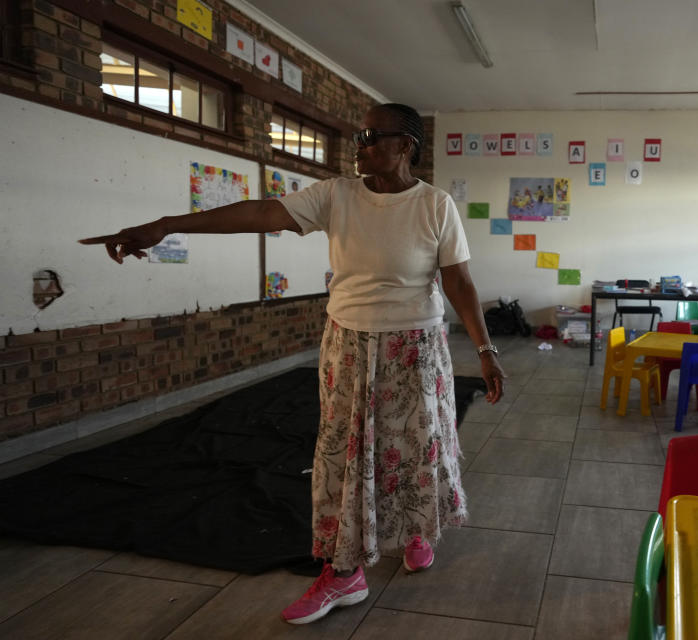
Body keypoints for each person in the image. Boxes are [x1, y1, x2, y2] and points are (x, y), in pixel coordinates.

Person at [79, 103, 505, 625]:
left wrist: (485, 350)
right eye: (358, 135)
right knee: (342, 457)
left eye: (372, 136)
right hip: (348, 344)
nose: (360, 145)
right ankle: (344, 572)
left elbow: (458, 282)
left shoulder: (435, 205)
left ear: (405, 145)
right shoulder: (336, 195)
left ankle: (411, 530)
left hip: (415, 346)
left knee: (414, 444)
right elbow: (261, 214)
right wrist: (166, 225)